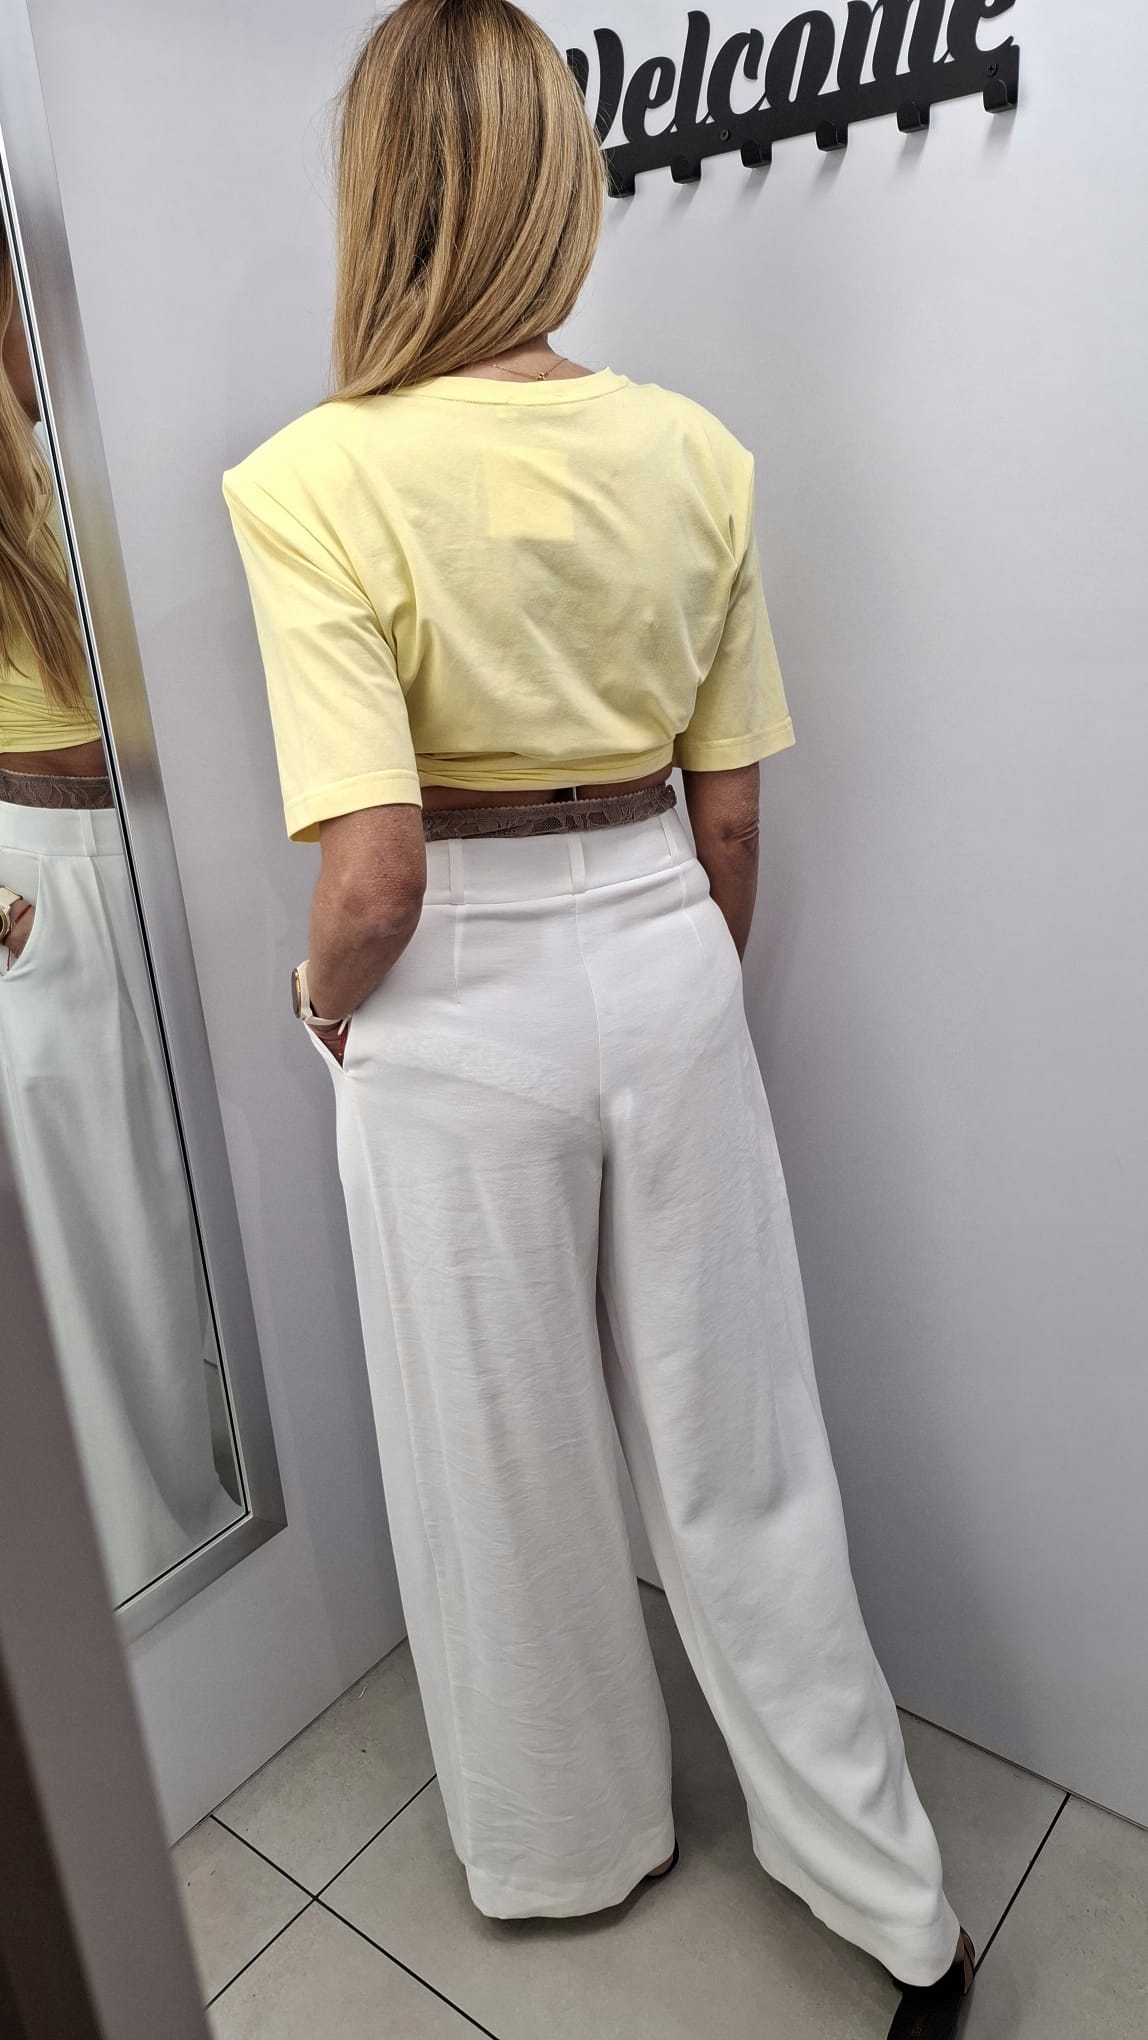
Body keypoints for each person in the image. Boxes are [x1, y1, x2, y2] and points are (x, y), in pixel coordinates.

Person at [223, 3, 973, 2031]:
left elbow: (373, 876)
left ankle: (571, 1851)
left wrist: (323, 1007)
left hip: (450, 993)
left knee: (503, 1461)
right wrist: (672, 984)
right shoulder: (694, 452)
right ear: (560, 185)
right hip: (660, 943)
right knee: (744, 1452)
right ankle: (900, 1909)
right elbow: (733, 820)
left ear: (381, 192)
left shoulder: (307, 480)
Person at [0, 226, 236, 1604]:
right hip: (48, 870)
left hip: (167, 841)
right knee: (114, 1245)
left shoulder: (84, 438)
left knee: (206, 1216)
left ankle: (221, 1517)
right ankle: (155, 1559)